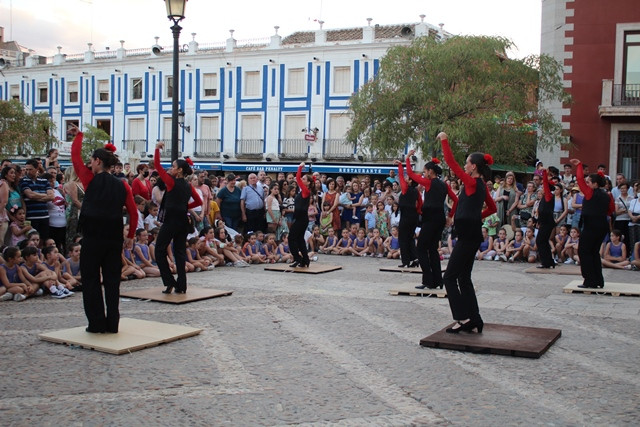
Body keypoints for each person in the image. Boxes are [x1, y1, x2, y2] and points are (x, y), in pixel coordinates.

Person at [71, 129, 138, 333]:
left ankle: (96, 323)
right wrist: (131, 236)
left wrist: (79, 136)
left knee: (91, 280)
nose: (89, 164)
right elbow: (134, 213)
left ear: (98, 161)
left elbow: (75, 157)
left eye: (91, 160)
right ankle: (113, 324)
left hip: (92, 237)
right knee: (112, 281)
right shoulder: (123, 186)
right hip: (113, 238)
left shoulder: (89, 179)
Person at [438, 132, 496, 334]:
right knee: (463, 278)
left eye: (467, 163)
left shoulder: (472, 183)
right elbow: (492, 208)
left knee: (449, 277)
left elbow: (450, 162)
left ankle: (462, 318)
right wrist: (473, 217)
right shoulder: (479, 186)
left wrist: (445, 139)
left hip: (467, 237)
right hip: (470, 234)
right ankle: (475, 319)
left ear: (474, 166)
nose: (464, 165)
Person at [153, 142, 202, 293]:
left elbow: (157, 166)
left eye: (173, 167)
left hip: (172, 221)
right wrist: (185, 207)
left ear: (180, 170)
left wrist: (157, 149)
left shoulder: (171, 182)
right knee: (180, 252)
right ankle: (182, 285)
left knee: (159, 250)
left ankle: (170, 281)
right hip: (183, 221)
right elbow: (199, 201)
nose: (171, 169)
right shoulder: (188, 186)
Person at [404, 153, 458, 289]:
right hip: (440, 218)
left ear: (430, 172)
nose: (423, 174)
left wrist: (408, 158)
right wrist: (450, 216)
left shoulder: (428, 183)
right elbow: (456, 200)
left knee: (421, 248)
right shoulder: (444, 184)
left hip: (430, 219)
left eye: (425, 171)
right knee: (433, 249)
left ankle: (428, 280)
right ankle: (438, 280)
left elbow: (410, 173)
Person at [569, 158, 615, 288]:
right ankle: (598, 281)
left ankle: (589, 280)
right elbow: (611, 210)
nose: (587, 184)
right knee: (594, 252)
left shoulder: (590, 193)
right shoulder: (608, 194)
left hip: (591, 226)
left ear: (595, 184)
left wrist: (579, 165)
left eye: (589, 182)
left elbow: (579, 179)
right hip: (602, 226)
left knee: (584, 252)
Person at [20, 158, 55, 243]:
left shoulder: (44, 181)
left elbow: (52, 197)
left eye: (30, 169)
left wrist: (36, 195)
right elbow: (30, 195)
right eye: (26, 169)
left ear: (36, 169)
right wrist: (45, 195)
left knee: (43, 240)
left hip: (44, 216)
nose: (28, 172)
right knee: (31, 240)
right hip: (31, 216)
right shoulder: (23, 181)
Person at [288, 162, 313, 268]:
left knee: (291, 238)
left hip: (301, 219)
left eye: (304, 179)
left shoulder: (306, 191)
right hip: (301, 218)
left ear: (307, 183)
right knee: (299, 239)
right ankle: (305, 260)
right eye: (302, 179)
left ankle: (298, 258)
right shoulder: (304, 191)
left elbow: (297, 178)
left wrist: (300, 167)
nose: (301, 180)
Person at [535, 168, 557, 269]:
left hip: (547, 222)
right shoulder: (546, 197)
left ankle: (546, 262)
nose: (543, 188)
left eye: (544, 187)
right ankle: (549, 261)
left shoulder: (548, 196)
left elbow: (545, 182)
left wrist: (544, 172)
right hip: (545, 222)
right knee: (543, 241)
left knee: (540, 241)